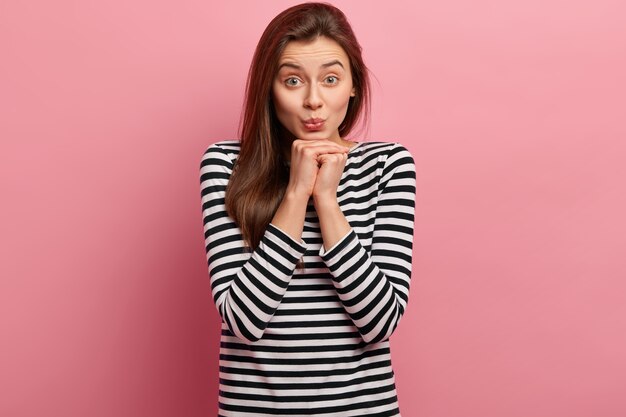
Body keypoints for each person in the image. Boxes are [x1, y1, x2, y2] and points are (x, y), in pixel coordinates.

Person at [199, 2, 416, 416]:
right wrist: (297, 193)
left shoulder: (389, 165)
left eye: (331, 79)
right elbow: (243, 321)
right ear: (269, 87)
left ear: (353, 85)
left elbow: (380, 321)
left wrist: (327, 200)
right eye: (293, 80)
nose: (314, 100)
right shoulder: (226, 165)